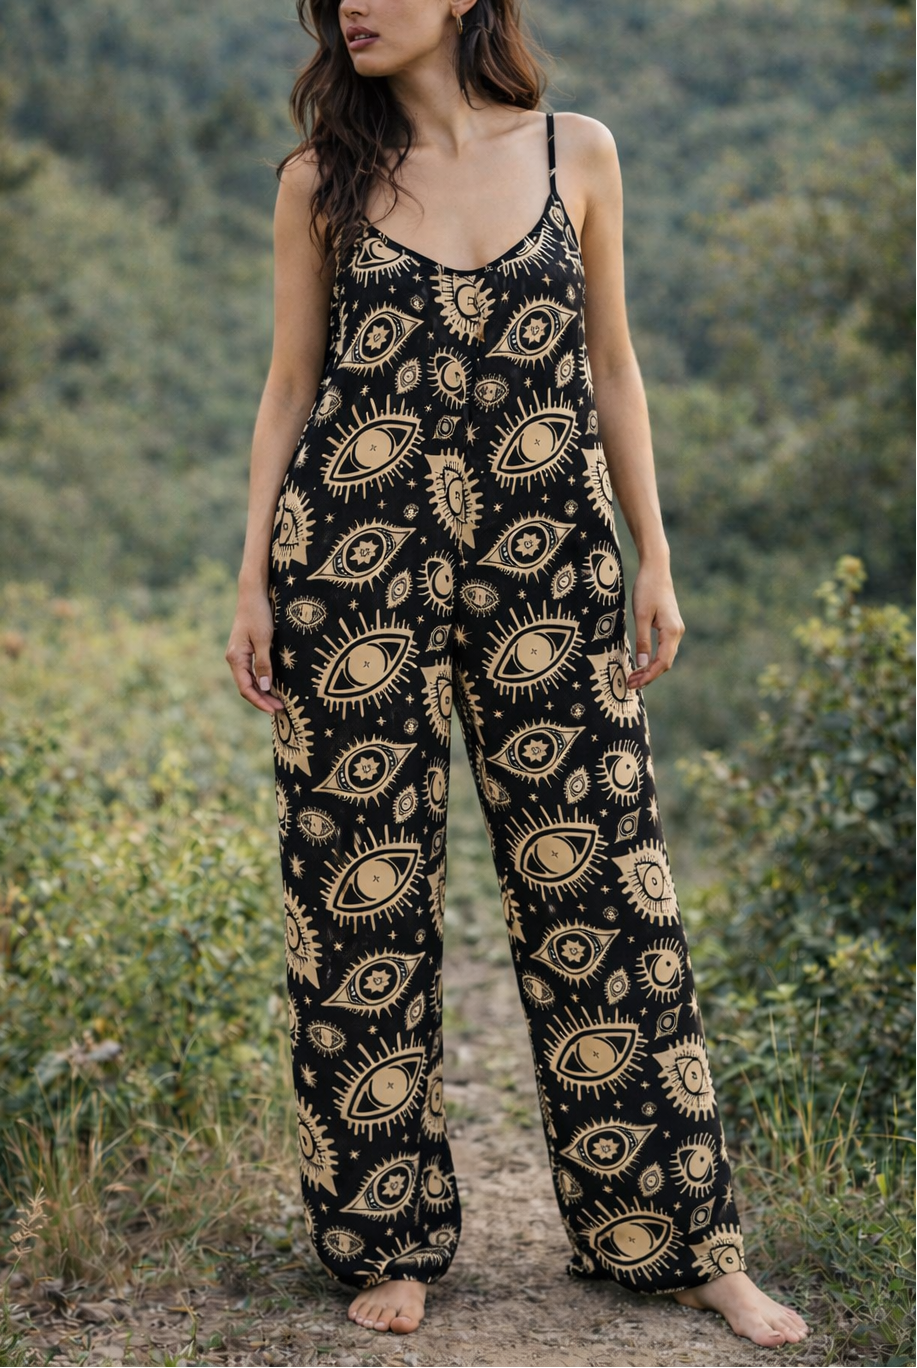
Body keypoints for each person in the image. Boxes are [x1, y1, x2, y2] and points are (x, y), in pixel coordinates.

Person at [225, 0, 809, 1348]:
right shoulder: (320, 180)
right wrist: (251, 577)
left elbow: (613, 368)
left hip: (555, 565)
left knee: (605, 883)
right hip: (350, 563)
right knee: (360, 888)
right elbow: (289, 383)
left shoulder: (578, 152)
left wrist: (652, 555)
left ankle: (675, 1242)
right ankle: (388, 1240)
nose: (351, 10)